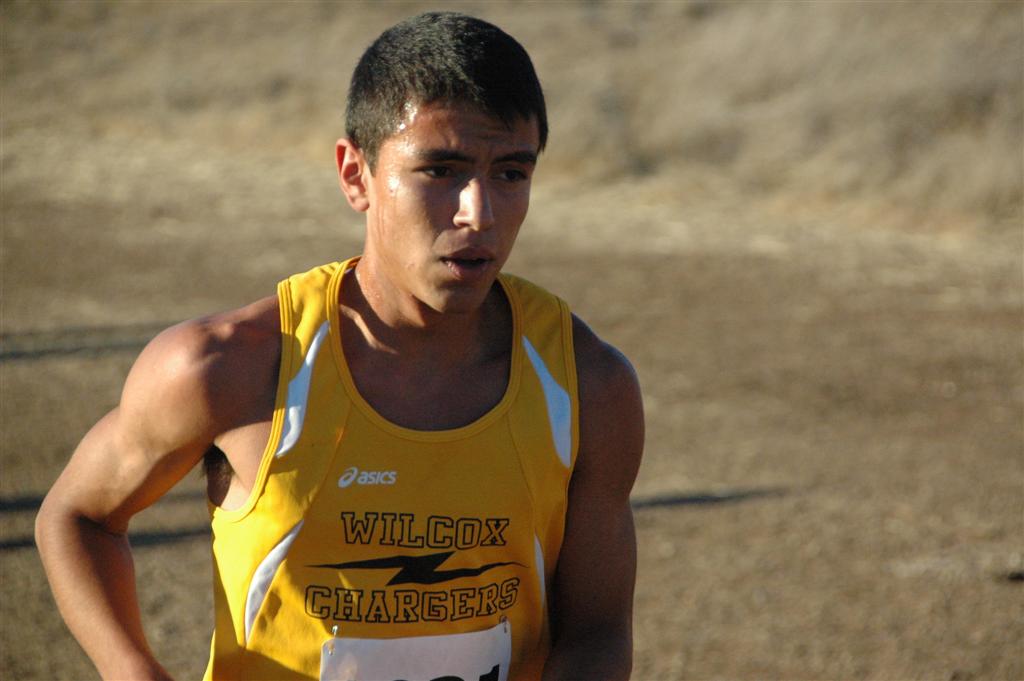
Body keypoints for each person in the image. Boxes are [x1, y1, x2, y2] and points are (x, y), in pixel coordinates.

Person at [35, 12, 643, 681]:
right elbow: (79, 515)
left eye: (511, 173)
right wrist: (133, 672)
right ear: (356, 175)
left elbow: (596, 632)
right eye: (441, 170)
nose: (479, 213)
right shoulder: (229, 368)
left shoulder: (586, 386)